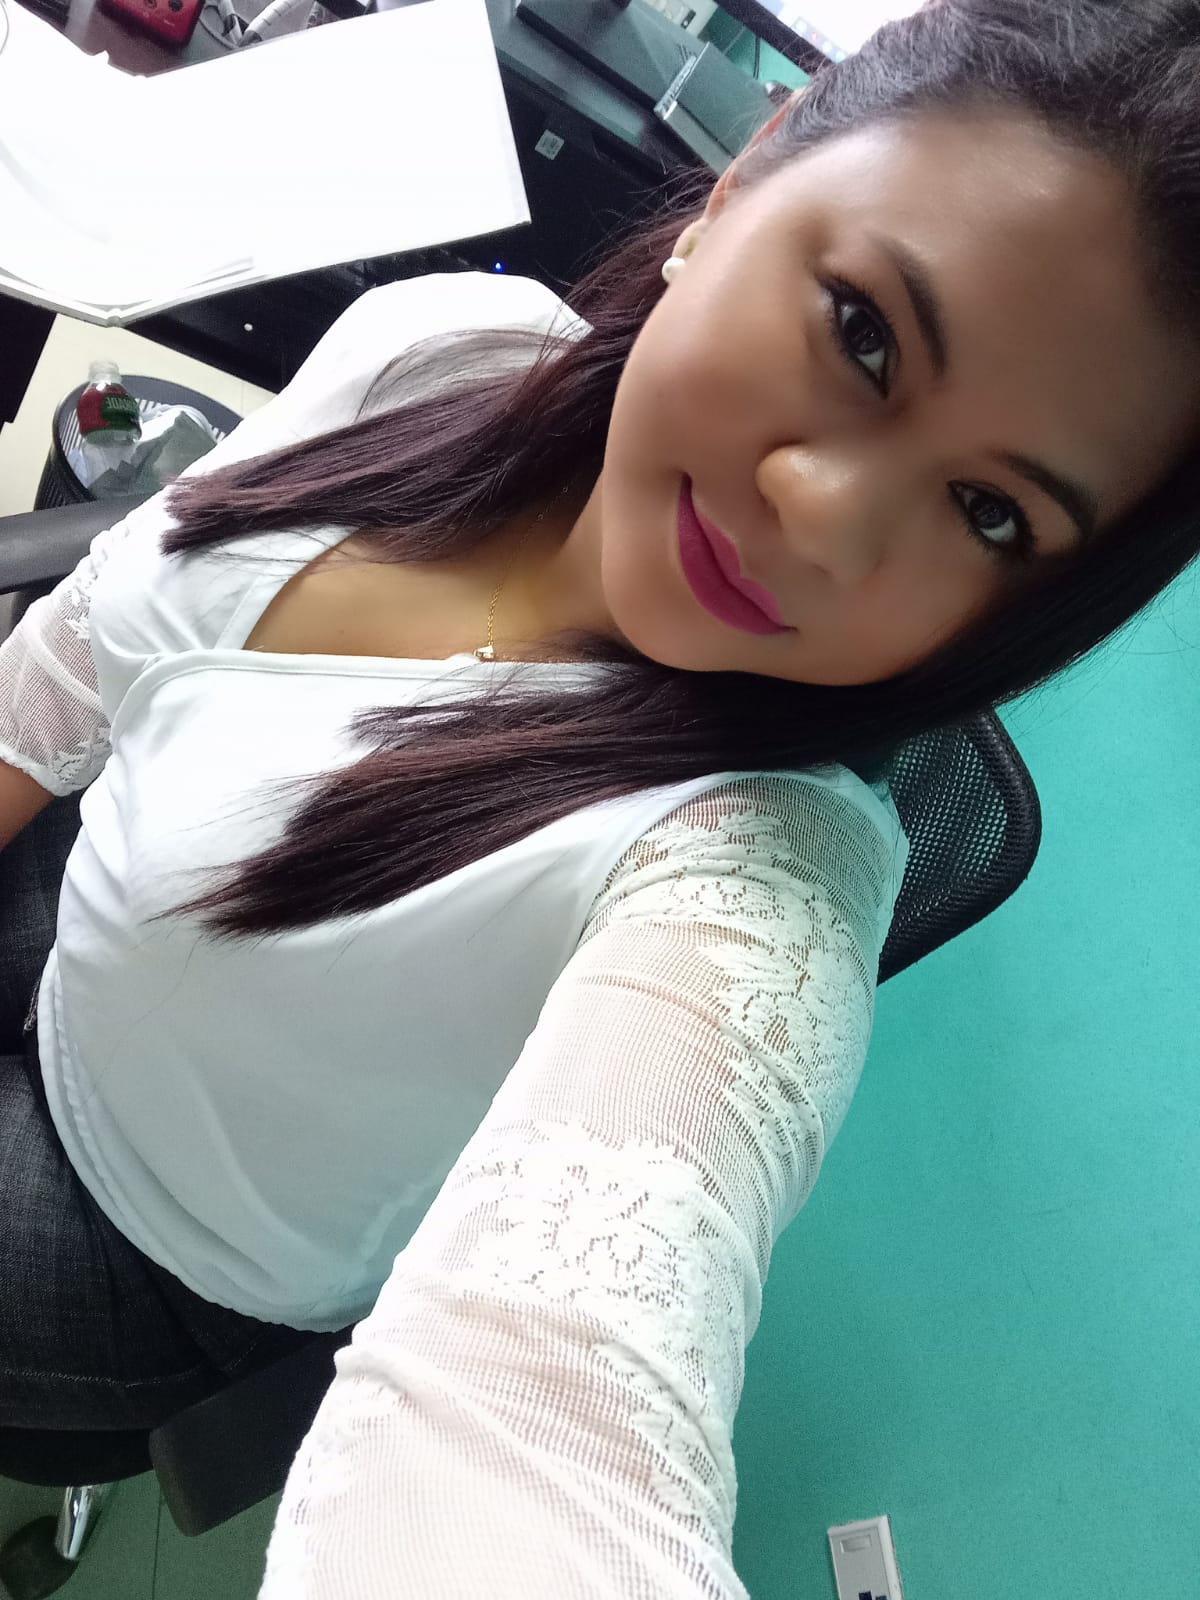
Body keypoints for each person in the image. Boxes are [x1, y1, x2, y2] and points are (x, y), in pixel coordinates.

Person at [0, 0, 1197, 1589]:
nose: (824, 517)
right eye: (863, 335)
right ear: (751, 175)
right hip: (73, 890)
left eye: (990, 514)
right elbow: (87, 642)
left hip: (130, 1237)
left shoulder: (754, 879)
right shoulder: (448, 347)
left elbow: (551, 1422)